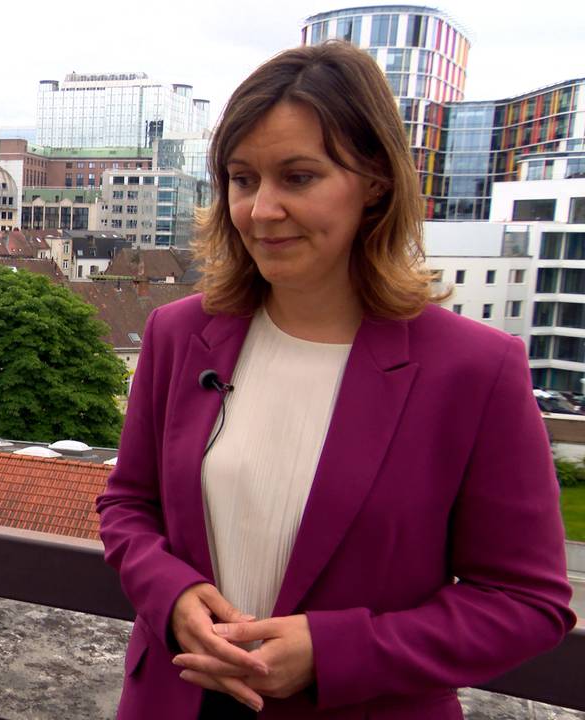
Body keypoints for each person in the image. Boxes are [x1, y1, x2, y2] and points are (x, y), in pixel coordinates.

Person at [96, 42, 576, 719]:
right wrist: (170, 593)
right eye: (242, 179)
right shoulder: (180, 335)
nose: (262, 210)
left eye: (298, 177)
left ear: (375, 179)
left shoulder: (474, 370)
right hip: (176, 702)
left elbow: (526, 603)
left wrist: (337, 650)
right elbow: (127, 506)